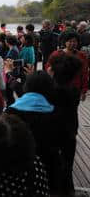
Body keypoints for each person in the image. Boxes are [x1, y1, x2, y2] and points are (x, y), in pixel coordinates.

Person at [5, 71, 60, 194]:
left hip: (19, 167)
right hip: (49, 167)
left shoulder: (12, 112)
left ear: (27, 86)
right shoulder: (54, 112)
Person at [47, 54, 83, 196]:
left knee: (53, 165)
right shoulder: (74, 90)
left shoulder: (52, 91)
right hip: (70, 132)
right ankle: (69, 190)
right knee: (68, 165)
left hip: (53, 133)